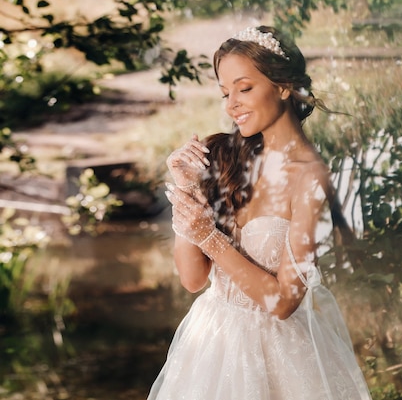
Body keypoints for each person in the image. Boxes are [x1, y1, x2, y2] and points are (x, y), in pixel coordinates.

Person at [147, 25, 372, 400]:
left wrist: (209, 237)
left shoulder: (310, 179)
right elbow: (192, 279)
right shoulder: (225, 157)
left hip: (279, 356)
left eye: (244, 87)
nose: (231, 103)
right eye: (225, 92)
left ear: (283, 87)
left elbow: (284, 302)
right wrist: (186, 186)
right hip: (210, 345)